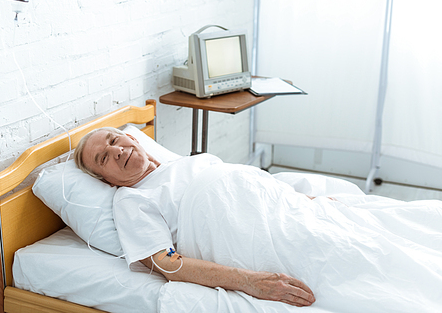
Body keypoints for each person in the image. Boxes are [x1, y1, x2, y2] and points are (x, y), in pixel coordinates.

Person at [74, 127, 316, 307]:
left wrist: (307, 202)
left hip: (289, 211)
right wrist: (252, 282)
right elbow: (167, 261)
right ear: (107, 181)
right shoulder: (132, 199)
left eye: (115, 140)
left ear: (133, 138)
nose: (117, 150)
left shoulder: (189, 162)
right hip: (257, 239)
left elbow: (248, 185)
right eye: (104, 158)